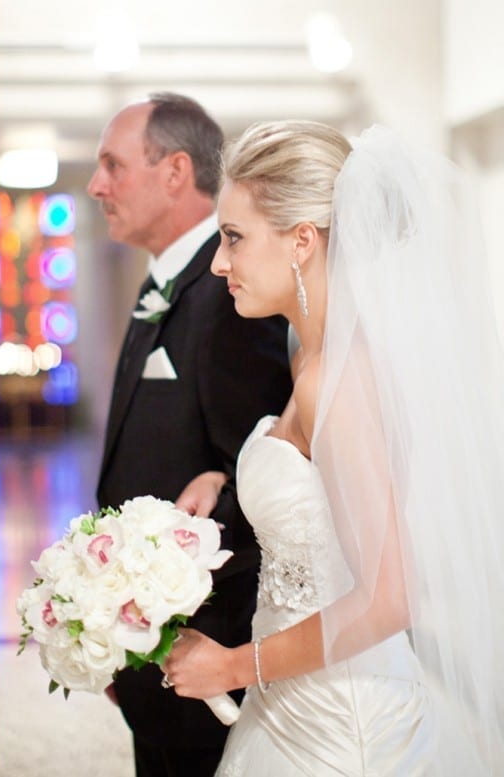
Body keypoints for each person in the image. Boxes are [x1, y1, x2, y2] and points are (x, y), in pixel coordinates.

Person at [162, 122, 504, 774]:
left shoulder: (333, 381)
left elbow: (389, 596)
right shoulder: (317, 357)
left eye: (233, 238)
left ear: (301, 241)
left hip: (341, 719)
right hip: (301, 697)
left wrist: (232, 665)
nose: (218, 262)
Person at [87, 93, 292, 776]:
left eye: (113, 165)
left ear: (176, 171)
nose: (96, 185)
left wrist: (188, 636)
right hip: (152, 639)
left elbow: (265, 474)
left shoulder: (232, 294)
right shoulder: (166, 285)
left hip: (204, 643)